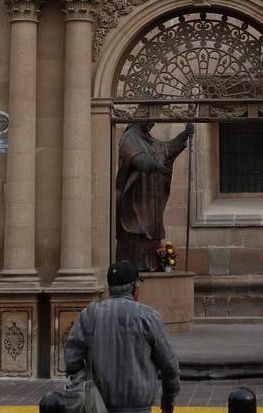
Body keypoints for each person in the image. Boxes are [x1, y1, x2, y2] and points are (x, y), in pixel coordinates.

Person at [64, 260, 180, 413]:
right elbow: (169, 365)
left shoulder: (89, 315)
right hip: (139, 407)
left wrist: (85, 386)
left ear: (110, 288)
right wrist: (168, 398)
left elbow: (72, 360)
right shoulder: (148, 316)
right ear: (134, 288)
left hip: (98, 405)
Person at [115, 120, 194, 271]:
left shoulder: (148, 139)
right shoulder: (129, 137)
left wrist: (183, 135)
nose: (153, 124)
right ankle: (134, 270)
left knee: (150, 230)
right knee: (136, 230)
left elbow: (165, 149)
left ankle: (151, 266)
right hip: (134, 200)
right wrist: (156, 167)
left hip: (149, 200)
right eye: (150, 120)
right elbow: (138, 159)